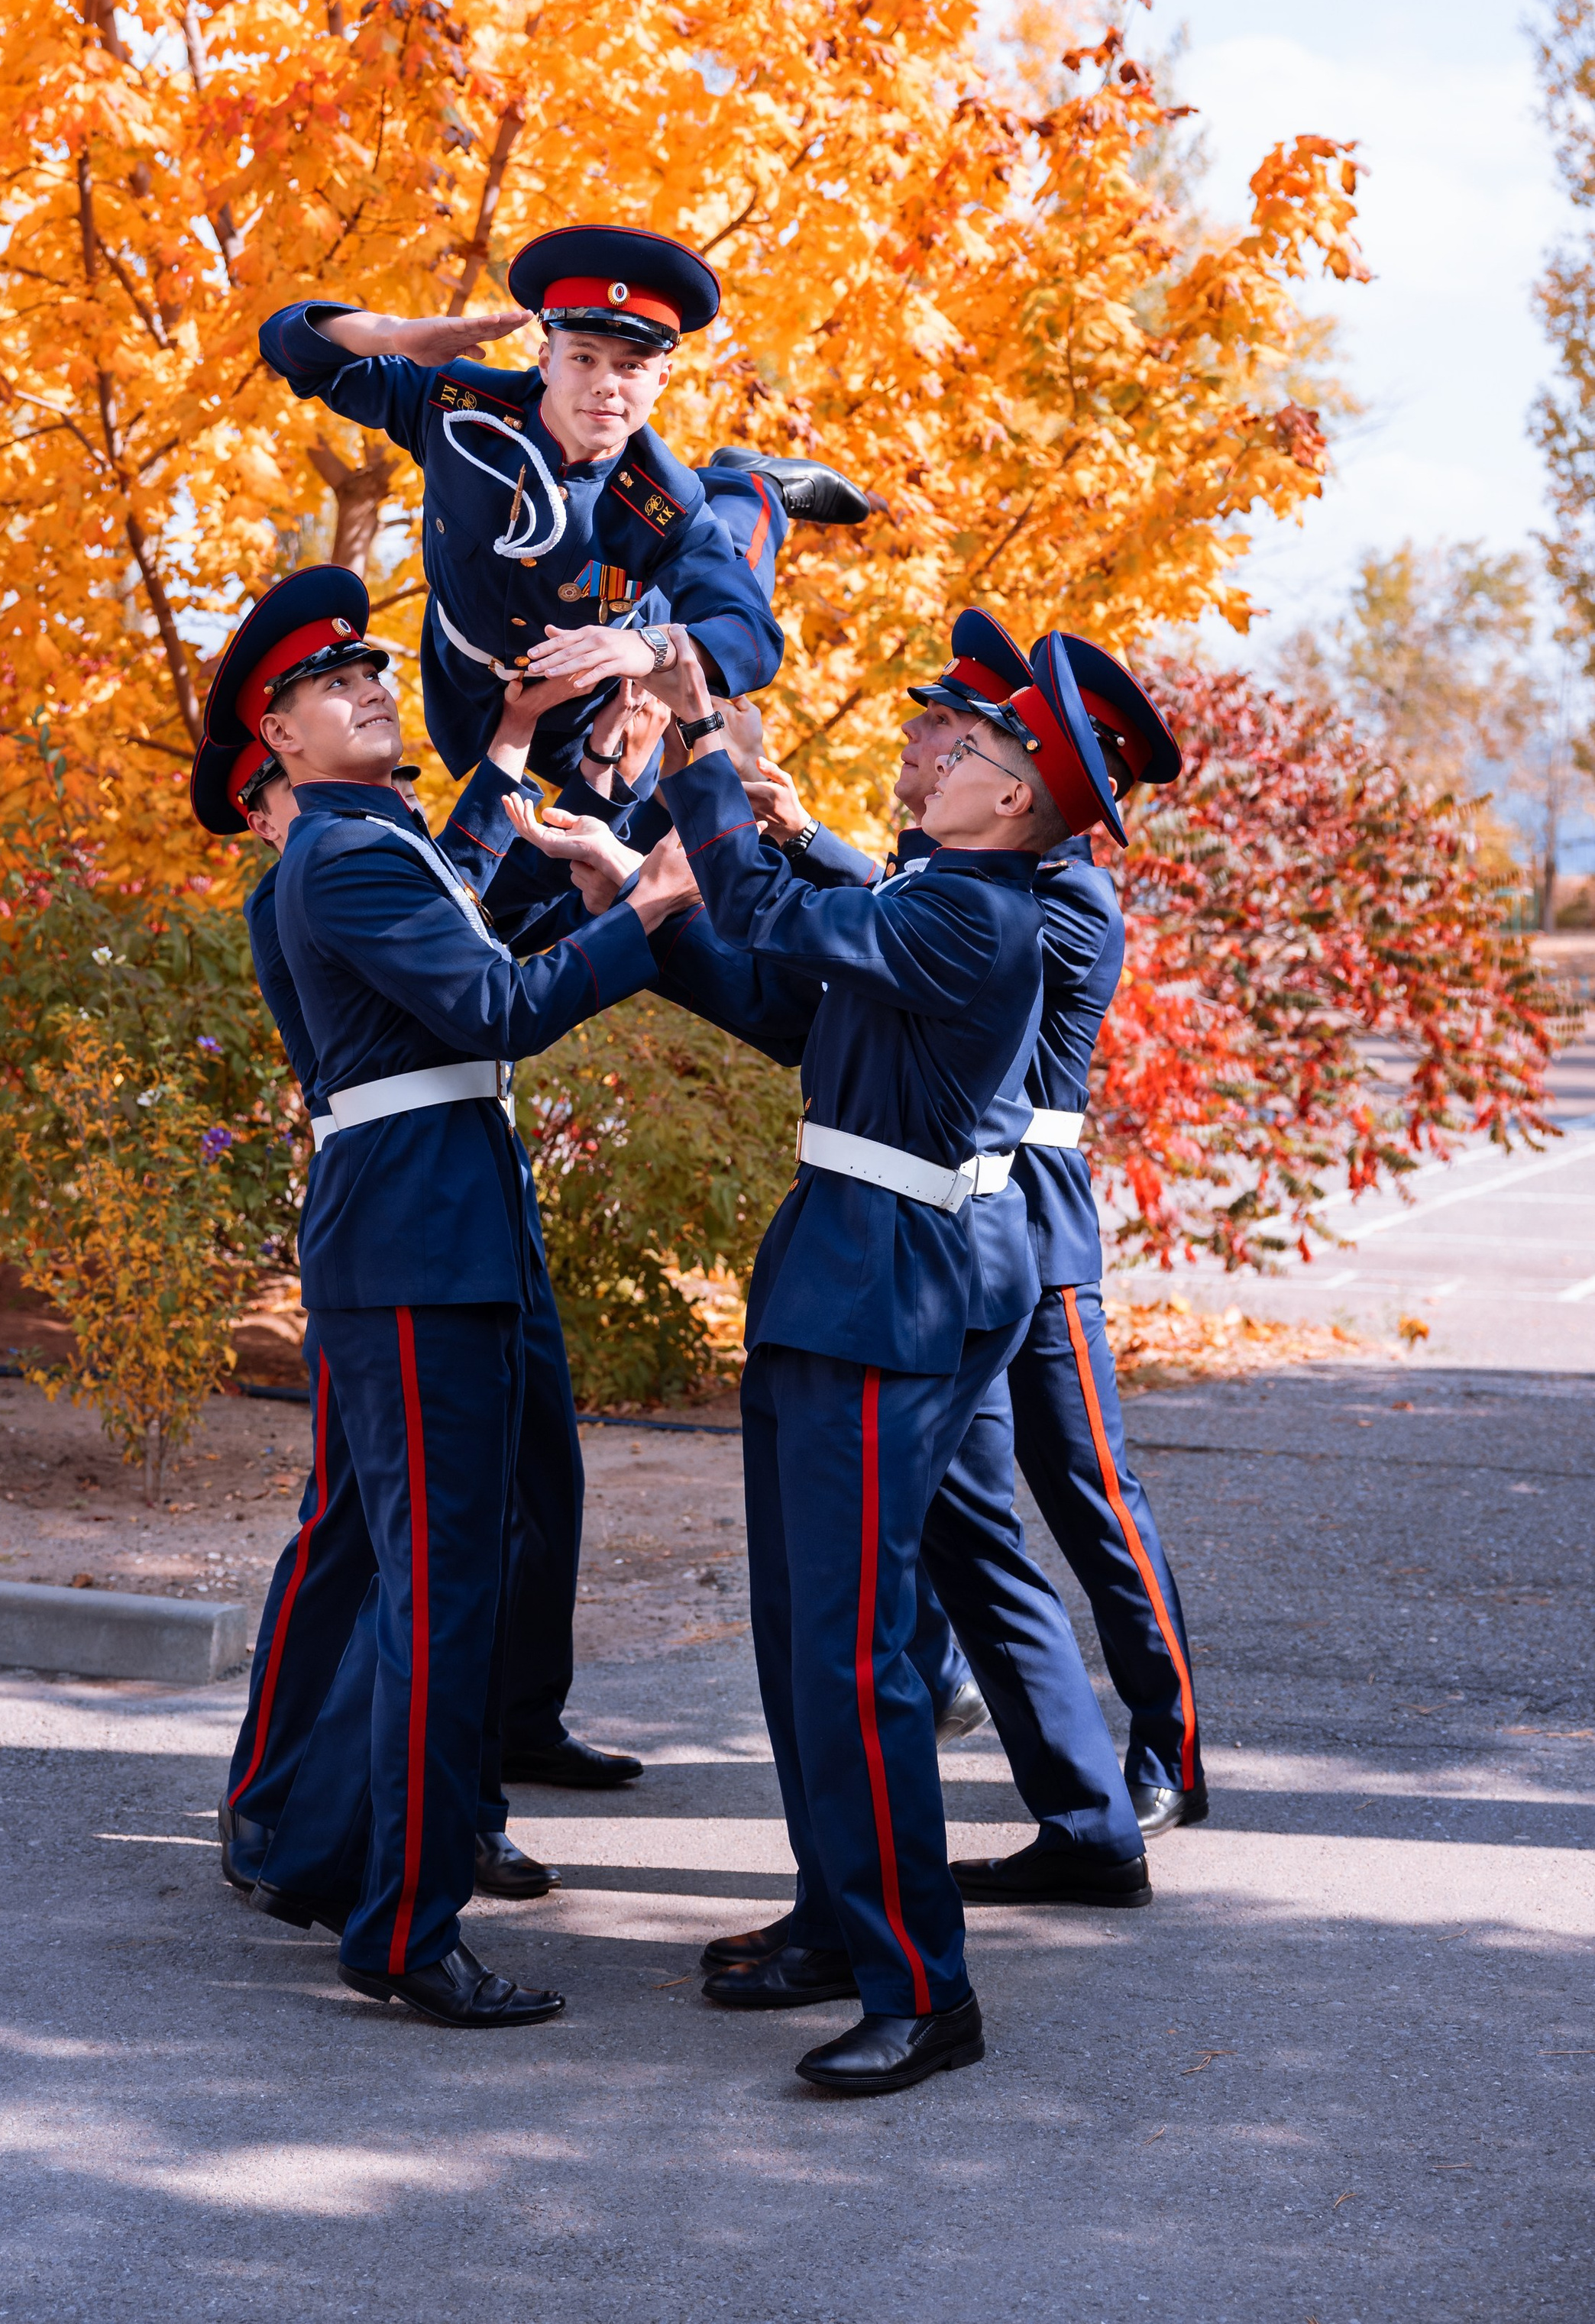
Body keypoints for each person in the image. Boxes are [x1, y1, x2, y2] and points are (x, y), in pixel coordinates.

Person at [644, 623, 1137, 2096]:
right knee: (807, 1638)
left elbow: (754, 889)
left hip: (892, 1295)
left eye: (972, 751)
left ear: (1017, 805)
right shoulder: (932, 897)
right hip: (836, 1274)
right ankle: (837, 1915)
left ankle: (926, 1989)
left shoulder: (986, 917)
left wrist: (701, 736)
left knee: (860, 1656)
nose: (942, 757)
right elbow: (783, 1004)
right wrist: (639, 908)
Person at [236, 594, 691, 2028]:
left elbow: (482, 893)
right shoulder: (341, 861)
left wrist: (514, 747)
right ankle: (405, 1928)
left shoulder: (379, 846)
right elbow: (497, 1008)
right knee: (441, 1596)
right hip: (420, 1246)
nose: (371, 687)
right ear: (279, 738)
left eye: (375, 670)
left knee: (412, 1575)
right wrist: (659, 912)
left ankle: (323, 1853)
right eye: (334, 683)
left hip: (439, 1230)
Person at [739, 611, 1208, 1857]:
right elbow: (896, 914)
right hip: (975, 1222)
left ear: (1048, 776)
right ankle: (1066, 1794)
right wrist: (810, 837)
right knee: (971, 1520)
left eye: (967, 733)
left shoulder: (1057, 898)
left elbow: (908, 935)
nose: (933, 746)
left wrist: (791, 843)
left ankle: (1168, 1741)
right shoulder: (985, 876)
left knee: (1091, 1496)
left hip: (1018, 1219)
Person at [255, 223, 870, 784]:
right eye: (583, 357)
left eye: (632, 366)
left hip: (596, 697)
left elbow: (752, 637)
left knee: (645, 831)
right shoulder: (457, 410)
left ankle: (751, 487)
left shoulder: (666, 500)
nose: (606, 383)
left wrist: (648, 649)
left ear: (662, 381)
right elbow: (293, 350)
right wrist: (391, 335)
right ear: (545, 358)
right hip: (466, 683)